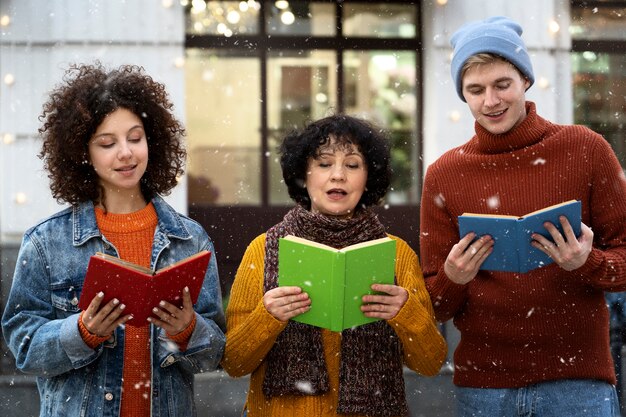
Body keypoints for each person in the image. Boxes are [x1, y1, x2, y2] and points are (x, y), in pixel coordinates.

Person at [419, 16, 626, 417]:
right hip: (484, 387)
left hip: (578, 382)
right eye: (475, 90)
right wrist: (454, 278)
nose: (490, 101)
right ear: (463, 95)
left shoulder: (586, 149)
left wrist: (589, 262)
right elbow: (435, 304)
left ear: (525, 81)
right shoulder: (444, 173)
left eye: (502, 85)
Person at [1, 62, 226, 417]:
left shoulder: (190, 240)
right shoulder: (47, 242)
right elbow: (24, 348)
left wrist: (189, 330)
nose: (126, 152)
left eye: (135, 138)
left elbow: (214, 355)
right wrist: (82, 331)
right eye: (107, 143)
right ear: (83, 153)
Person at [221, 114, 447, 416]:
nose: (338, 175)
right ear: (305, 173)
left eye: (352, 165)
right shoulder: (262, 250)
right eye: (324, 164)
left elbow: (431, 363)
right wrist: (268, 316)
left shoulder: (397, 254)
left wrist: (406, 314)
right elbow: (234, 363)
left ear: (368, 177)